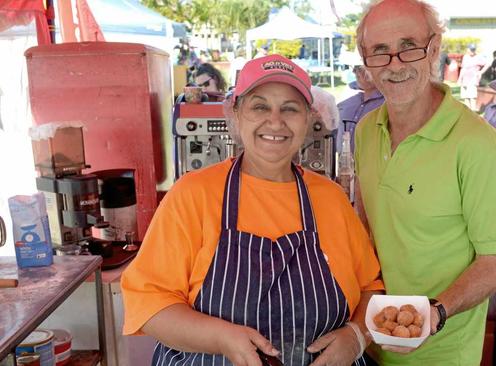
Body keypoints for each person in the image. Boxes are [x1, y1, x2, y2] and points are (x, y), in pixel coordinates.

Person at [121, 54, 383, 366]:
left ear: (308, 117)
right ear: (236, 112)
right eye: (260, 106)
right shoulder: (194, 195)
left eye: (290, 108)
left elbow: (372, 289)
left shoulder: (331, 199)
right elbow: (149, 306)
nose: (275, 121)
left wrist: (355, 336)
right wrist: (221, 337)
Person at [354, 1, 496, 364]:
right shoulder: (366, 131)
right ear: (365, 59)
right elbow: (366, 229)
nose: (395, 64)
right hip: (371, 343)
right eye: (380, 51)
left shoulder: (477, 146)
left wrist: (436, 312)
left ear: (434, 49)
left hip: (441, 352)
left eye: (408, 46)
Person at [337, 63, 384, 153]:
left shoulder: (388, 103)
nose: (355, 72)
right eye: (355, 68)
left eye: (360, 68)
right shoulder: (347, 97)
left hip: (372, 163)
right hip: (344, 163)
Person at [458, 44, 485, 111]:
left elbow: (487, 64)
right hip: (465, 79)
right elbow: (463, 68)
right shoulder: (465, 57)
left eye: (473, 50)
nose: (472, 52)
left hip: (473, 79)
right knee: (466, 97)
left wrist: (480, 72)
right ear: (468, 49)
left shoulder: (478, 57)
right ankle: (468, 112)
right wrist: (459, 79)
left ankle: (473, 112)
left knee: (472, 97)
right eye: (470, 50)